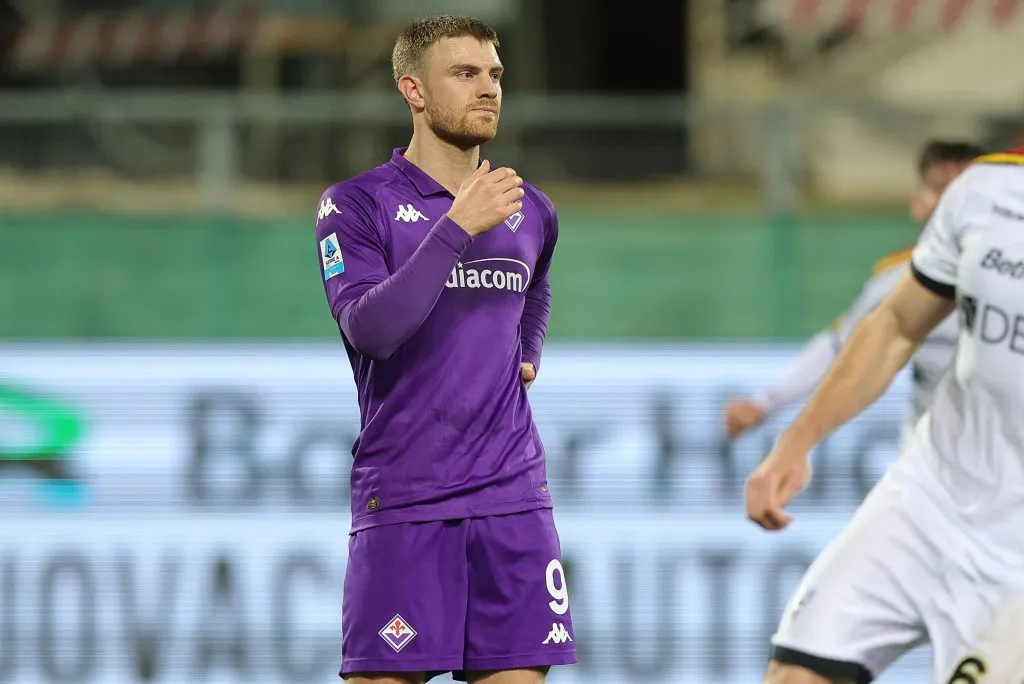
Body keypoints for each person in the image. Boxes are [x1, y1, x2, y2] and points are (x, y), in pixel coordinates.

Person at [313, 14, 575, 684]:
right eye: (464, 73)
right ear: (414, 89)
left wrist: (529, 346)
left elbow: (536, 282)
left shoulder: (529, 209)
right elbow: (371, 329)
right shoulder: (356, 206)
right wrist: (458, 225)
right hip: (406, 499)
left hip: (514, 500)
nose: (487, 88)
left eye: (494, 75)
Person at [745, 146, 1024, 683]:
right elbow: (896, 325)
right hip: (928, 501)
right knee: (794, 677)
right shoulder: (986, 189)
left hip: (1014, 564)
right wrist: (798, 440)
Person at [724, 140, 984, 447]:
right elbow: (840, 347)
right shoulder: (897, 279)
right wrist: (764, 402)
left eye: (963, 191)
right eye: (941, 190)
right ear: (917, 204)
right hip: (930, 457)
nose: (951, 203)